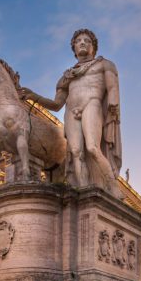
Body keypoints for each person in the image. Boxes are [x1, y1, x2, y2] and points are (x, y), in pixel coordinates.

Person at [19, 29, 122, 197]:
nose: (82, 42)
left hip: (92, 103)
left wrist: (113, 104)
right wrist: (34, 96)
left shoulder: (104, 64)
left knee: (93, 147)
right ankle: (83, 192)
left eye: (87, 40)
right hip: (70, 110)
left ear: (93, 47)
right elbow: (57, 104)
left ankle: (112, 186)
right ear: (73, 48)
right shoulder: (67, 77)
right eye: (78, 41)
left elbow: (112, 88)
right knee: (75, 152)